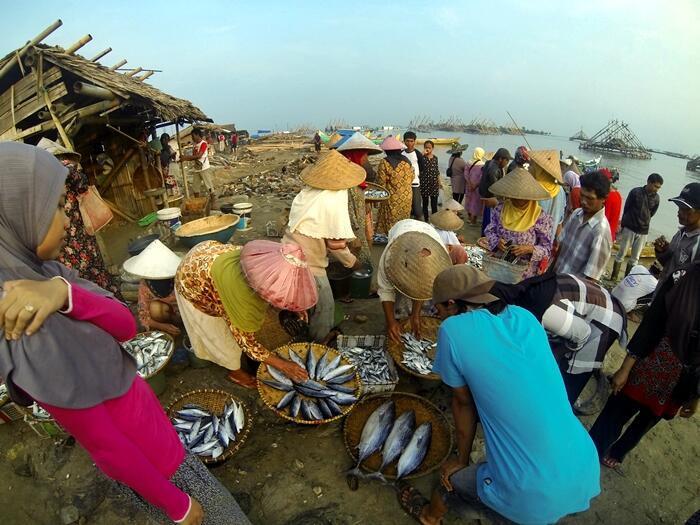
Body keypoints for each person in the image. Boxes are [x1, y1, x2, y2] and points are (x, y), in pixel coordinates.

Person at [0, 142, 251, 525]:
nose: (69, 221)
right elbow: (108, 449)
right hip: (156, 470)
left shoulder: (52, 276)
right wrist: (177, 506)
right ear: (15, 215)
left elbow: (124, 324)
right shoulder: (25, 331)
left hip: (163, 441)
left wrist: (64, 295)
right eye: (53, 208)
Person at [397, 265, 599, 525]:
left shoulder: (453, 330)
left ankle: (429, 517)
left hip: (529, 489)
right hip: (583, 465)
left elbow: (462, 402)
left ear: (451, 303)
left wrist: (460, 459)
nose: (439, 317)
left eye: (439, 310)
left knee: (449, 482)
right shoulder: (524, 316)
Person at [589, 262, 700, 472]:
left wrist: (695, 396)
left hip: (681, 380)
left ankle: (618, 452)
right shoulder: (681, 277)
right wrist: (625, 368)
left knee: (647, 421)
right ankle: (590, 451)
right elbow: (651, 325)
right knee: (616, 411)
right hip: (650, 363)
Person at [176, 239, 318, 389]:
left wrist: (294, 303)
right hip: (192, 280)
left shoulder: (262, 259)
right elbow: (248, 345)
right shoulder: (243, 300)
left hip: (207, 252)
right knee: (222, 339)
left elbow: (286, 283)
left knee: (235, 324)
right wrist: (283, 365)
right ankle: (235, 373)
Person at [490, 271, 628, 405]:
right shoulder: (520, 291)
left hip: (607, 319)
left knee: (573, 374)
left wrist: (556, 355)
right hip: (581, 298)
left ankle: (558, 407)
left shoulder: (542, 309)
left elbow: (583, 333)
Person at [282, 150, 364, 341]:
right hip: (309, 264)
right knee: (325, 307)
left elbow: (314, 225)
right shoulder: (335, 197)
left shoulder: (307, 194)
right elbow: (335, 245)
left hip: (287, 252)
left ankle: (300, 334)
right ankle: (318, 345)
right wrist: (353, 263)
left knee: (300, 303)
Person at [35, 138, 122, 300]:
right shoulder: (65, 167)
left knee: (72, 274)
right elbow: (82, 184)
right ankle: (107, 302)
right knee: (92, 267)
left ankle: (84, 302)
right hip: (77, 228)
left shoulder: (40, 176)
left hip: (59, 230)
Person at [377, 219, 452, 343]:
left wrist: (415, 314)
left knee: (416, 289)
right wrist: (391, 321)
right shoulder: (390, 257)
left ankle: (410, 316)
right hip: (402, 228)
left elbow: (422, 287)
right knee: (397, 294)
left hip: (428, 233)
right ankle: (394, 323)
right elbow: (386, 290)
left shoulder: (440, 256)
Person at [484, 167, 553, 278]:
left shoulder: (541, 217)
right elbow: (489, 230)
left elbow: (547, 249)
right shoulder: (500, 208)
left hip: (524, 273)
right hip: (498, 266)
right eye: (513, 196)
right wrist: (497, 241)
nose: (516, 200)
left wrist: (529, 249)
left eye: (522, 198)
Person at [553, 170, 612, 281]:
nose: (583, 202)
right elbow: (561, 249)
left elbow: (592, 277)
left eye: (590, 198)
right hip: (555, 279)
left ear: (603, 199)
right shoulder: (576, 214)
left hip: (570, 292)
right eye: (582, 196)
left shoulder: (600, 232)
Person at [336, 132, 384, 266]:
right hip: (353, 228)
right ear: (357, 156)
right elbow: (348, 208)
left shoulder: (358, 178)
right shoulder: (348, 181)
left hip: (359, 224)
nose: (366, 160)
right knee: (359, 259)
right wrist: (355, 235)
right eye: (364, 156)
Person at [123, 240, 183, 337]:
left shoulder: (179, 278)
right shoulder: (145, 285)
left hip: (183, 313)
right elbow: (143, 316)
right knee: (155, 308)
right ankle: (172, 326)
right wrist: (163, 326)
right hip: (167, 315)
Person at [612, 173, 663, 280]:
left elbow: (652, 213)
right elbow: (627, 208)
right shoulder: (636, 192)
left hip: (643, 231)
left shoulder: (656, 198)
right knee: (621, 253)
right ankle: (614, 277)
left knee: (635, 258)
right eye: (655, 186)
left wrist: (645, 221)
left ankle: (627, 279)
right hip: (630, 228)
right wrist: (624, 224)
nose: (657, 189)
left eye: (659, 187)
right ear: (649, 182)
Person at [652, 182, 700, 286]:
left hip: (678, 300)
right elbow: (670, 266)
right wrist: (663, 252)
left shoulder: (697, 244)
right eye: (679, 207)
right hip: (662, 293)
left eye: (686, 210)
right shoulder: (681, 233)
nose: (679, 213)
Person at [376, 136, 414, 234]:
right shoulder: (407, 161)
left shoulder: (384, 162)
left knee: (391, 220)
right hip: (407, 196)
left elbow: (381, 183)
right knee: (403, 220)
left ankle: (391, 239)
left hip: (392, 198)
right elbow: (412, 177)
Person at [529, 149, 567, 242]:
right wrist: (558, 242)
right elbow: (559, 221)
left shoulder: (533, 188)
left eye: (533, 166)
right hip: (547, 242)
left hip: (528, 243)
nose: (530, 167)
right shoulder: (560, 190)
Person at [478, 147, 512, 235]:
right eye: (507, 160)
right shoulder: (495, 170)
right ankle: (486, 236)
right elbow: (495, 187)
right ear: (500, 159)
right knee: (489, 219)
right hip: (490, 197)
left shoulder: (489, 162)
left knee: (486, 217)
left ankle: (484, 233)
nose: (507, 163)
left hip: (485, 194)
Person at [178, 128, 213, 197]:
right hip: (197, 168)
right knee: (195, 187)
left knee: (208, 186)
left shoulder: (203, 144)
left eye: (193, 136)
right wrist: (184, 159)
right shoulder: (195, 145)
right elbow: (193, 157)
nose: (192, 138)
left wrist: (185, 157)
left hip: (204, 168)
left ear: (197, 135)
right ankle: (197, 201)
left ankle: (213, 200)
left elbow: (198, 156)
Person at [401, 131, 425, 220]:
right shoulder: (401, 154)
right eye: (407, 141)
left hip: (415, 183)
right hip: (403, 184)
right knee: (406, 205)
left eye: (411, 141)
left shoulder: (418, 154)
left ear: (415, 142)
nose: (409, 143)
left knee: (417, 207)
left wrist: (416, 176)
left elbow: (422, 168)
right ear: (403, 141)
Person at [463, 147, 485, 225]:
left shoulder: (468, 162)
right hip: (476, 188)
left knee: (469, 201)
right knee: (475, 203)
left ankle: (469, 218)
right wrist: (475, 185)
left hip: (469, 186)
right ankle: (473, 221)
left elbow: (465, 174)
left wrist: (469, 183)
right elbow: (482, 177)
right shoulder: (483, 165)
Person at [600, 168, 623, 242]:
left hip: (603, 235)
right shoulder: (617, 194)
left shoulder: (608, 197)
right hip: (611, 234)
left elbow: (604, 219)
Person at [420, 140, 440, 221]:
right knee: (425, 203)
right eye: (426, 147)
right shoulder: (422, 158)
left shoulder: (435, 158)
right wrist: (422, 154)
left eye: (429, 147)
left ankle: (434, 220)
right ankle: (426, 219)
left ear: (432, 148)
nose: (428, 149)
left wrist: (439, 182)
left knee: (434, 204)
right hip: (424, 184)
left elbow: (437, 171)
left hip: (434, 184)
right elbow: (417, 164)